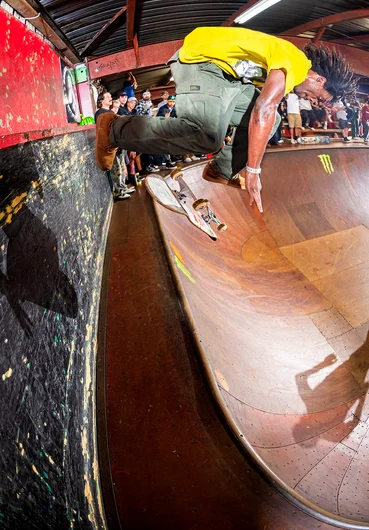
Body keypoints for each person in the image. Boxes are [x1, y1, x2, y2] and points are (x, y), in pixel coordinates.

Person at [95, 27, 356, 212]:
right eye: (321, 98)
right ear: (320, 80)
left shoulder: (288, 64)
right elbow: (262, 109)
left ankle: (221, 169)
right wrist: (253, 171)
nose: (315, 102)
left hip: (230, 80)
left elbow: (266, 116)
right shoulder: (296, 63)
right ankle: (115, 129)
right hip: (203, 63)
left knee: (273, 122)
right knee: (207, 136)